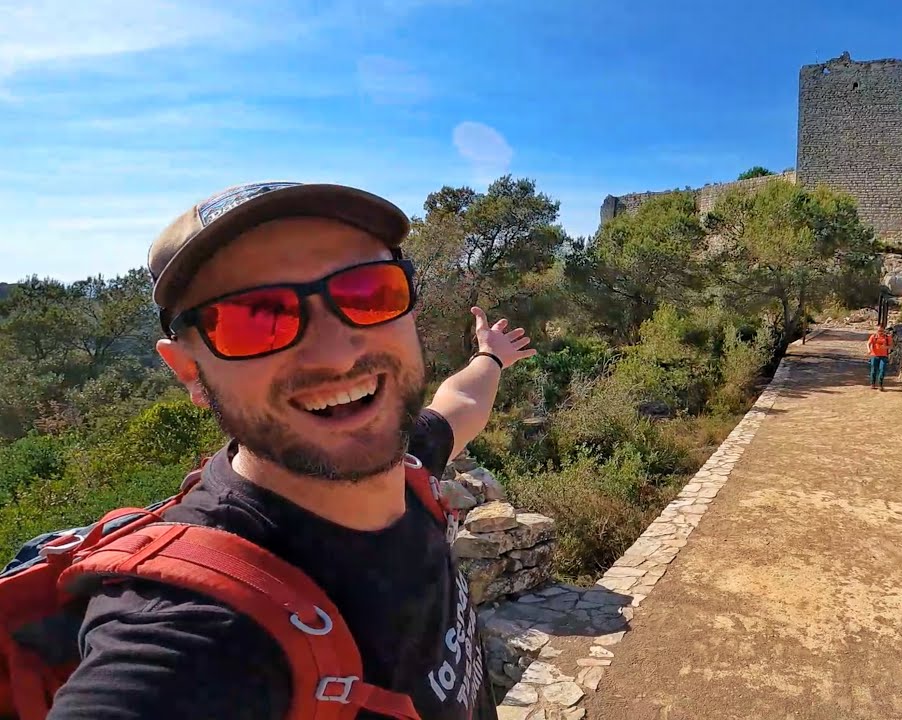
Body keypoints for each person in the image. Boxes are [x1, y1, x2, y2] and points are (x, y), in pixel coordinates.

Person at [45, 181, 535, 719]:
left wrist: (489, 357)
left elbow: (459, 402)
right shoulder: (187, 634)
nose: (334, 353)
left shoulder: (407, 460)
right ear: (190, 370)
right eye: (252, 317)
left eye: (368, 291)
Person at [867, 324, 892, 390]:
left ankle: (880, 384)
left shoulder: (887, 337)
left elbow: (891, 346)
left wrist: (885, 347)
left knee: (882, 370)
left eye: (881, 331)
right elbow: (868, 343)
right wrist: (869, 350)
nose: (880, 332)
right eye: (879, 330)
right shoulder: (873, 336)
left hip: (883, 356)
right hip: (874, 355)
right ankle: (873, 384)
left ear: (884, 330)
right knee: (873, 370)